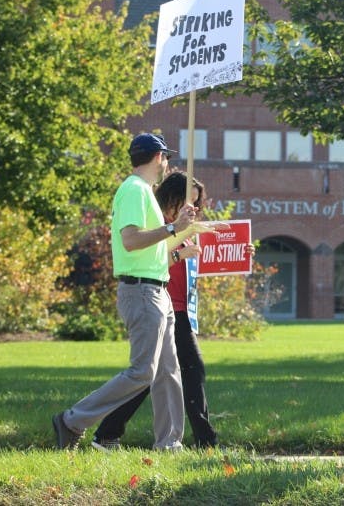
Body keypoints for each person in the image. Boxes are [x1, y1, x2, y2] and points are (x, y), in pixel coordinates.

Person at [53, 133, 196, 450]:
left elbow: (150, 253)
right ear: (158, 157)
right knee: (142, 372)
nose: (167, 164)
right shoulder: (133, 190)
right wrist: (173, 227)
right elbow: (131, 240)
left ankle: (169, 444)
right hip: (142, 293)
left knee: (168, 371)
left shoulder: (144, 191)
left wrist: (178, 242)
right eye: (166, 158)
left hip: (155, 290)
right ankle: (72, 420)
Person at [91, 172, 252, 450]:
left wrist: (241, 251)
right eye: (193, 202)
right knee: (178, 371)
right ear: (174, 198)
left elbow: (208, 258)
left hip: (179, 309)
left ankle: (108, 433)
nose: (197, 209)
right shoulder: (159, 227)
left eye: (199, 204)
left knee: (157, 373)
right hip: (162, 304)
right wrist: (179, 253)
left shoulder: (186, 230)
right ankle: (205, 442)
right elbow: (149, 262)